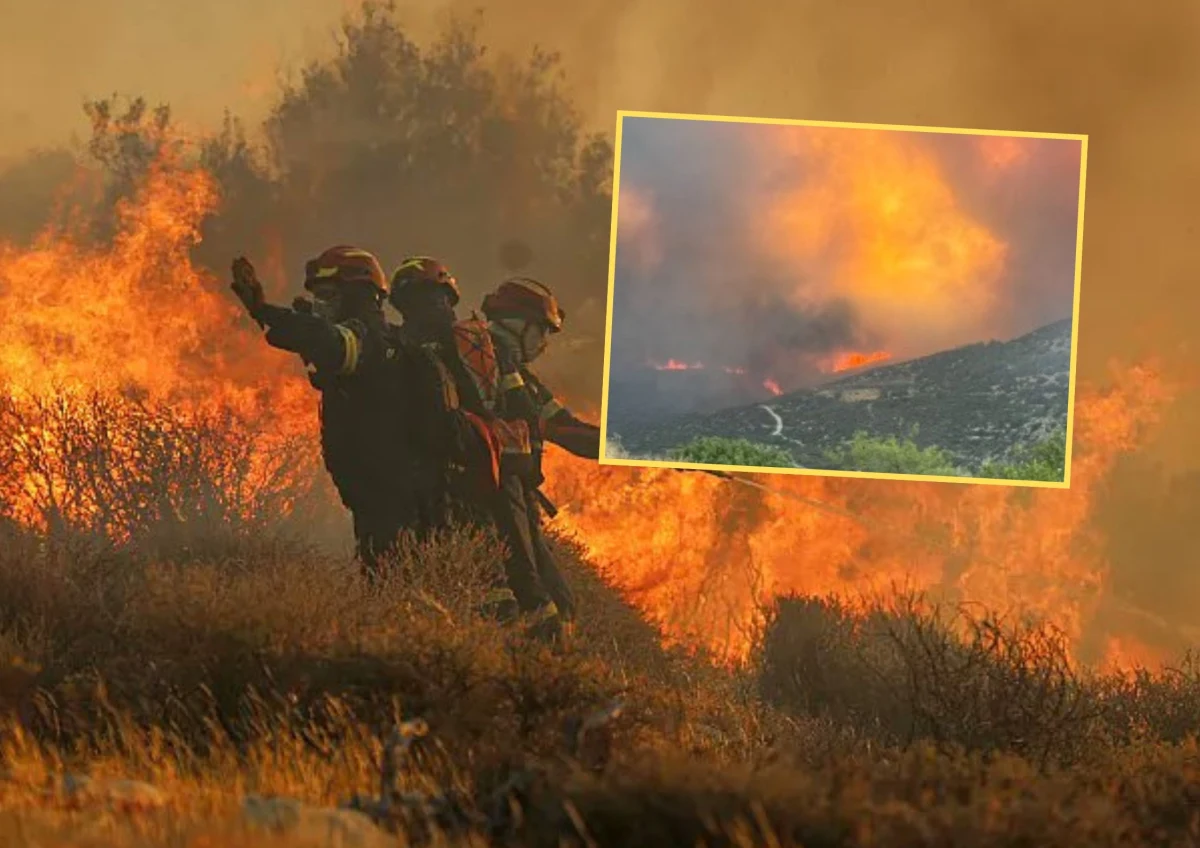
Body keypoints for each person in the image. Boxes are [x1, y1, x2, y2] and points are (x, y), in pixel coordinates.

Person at [229, 246, 467, 582]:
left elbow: (332, 344)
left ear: (356, 293)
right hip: (389, 495)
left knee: (394, 588)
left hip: (396, 499)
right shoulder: (384, 339)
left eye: (328, 295)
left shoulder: (370, 339)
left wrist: (265, 311)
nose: (323, 304)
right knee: (403, 585)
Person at [385, 257, 564, 643]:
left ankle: (532, 662)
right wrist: (525, 467)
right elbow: (529, 417)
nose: (544, 344)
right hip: (489, 488)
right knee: (519, 587)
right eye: (542, 333)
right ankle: (542, 667)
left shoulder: (401, 349)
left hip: (457, 488)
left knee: (498, 586)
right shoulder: (476, 345)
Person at [477, 276, 603, 634]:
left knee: (561, 605)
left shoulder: (521, 379)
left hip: (518, 505)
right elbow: (563, 431)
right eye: (542, 332)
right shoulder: (494, 368)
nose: (544, 343)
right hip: (496, 507)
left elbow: (568, 428)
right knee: (539, 612)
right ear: (519, 325)